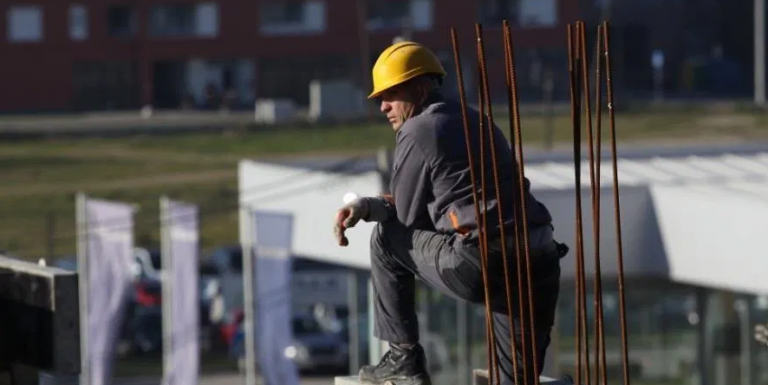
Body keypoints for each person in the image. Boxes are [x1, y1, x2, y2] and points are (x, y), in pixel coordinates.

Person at [333, 41, 569, 385]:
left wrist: (370, 209)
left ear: (421, 87)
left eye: (391, 94)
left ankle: (403, 357)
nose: (383, 106)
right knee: (516, 381)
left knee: (385, 239)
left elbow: (409, 217)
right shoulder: (476, 118)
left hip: (482, 260)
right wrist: (368, 206)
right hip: (538, 259)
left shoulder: (417, 129)